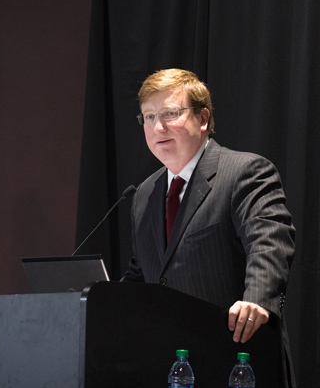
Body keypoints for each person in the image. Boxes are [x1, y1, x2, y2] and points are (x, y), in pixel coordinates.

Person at [123, 68, 296, 345]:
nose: (158, 127)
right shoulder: (145, 193)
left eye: (170, 114)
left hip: (234, 352)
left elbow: (268, 244)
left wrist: (258, 301)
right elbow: (142, 274)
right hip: (165, 360)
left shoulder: (245, 172)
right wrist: (95, 304)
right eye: (149, 117)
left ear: (202, 118)